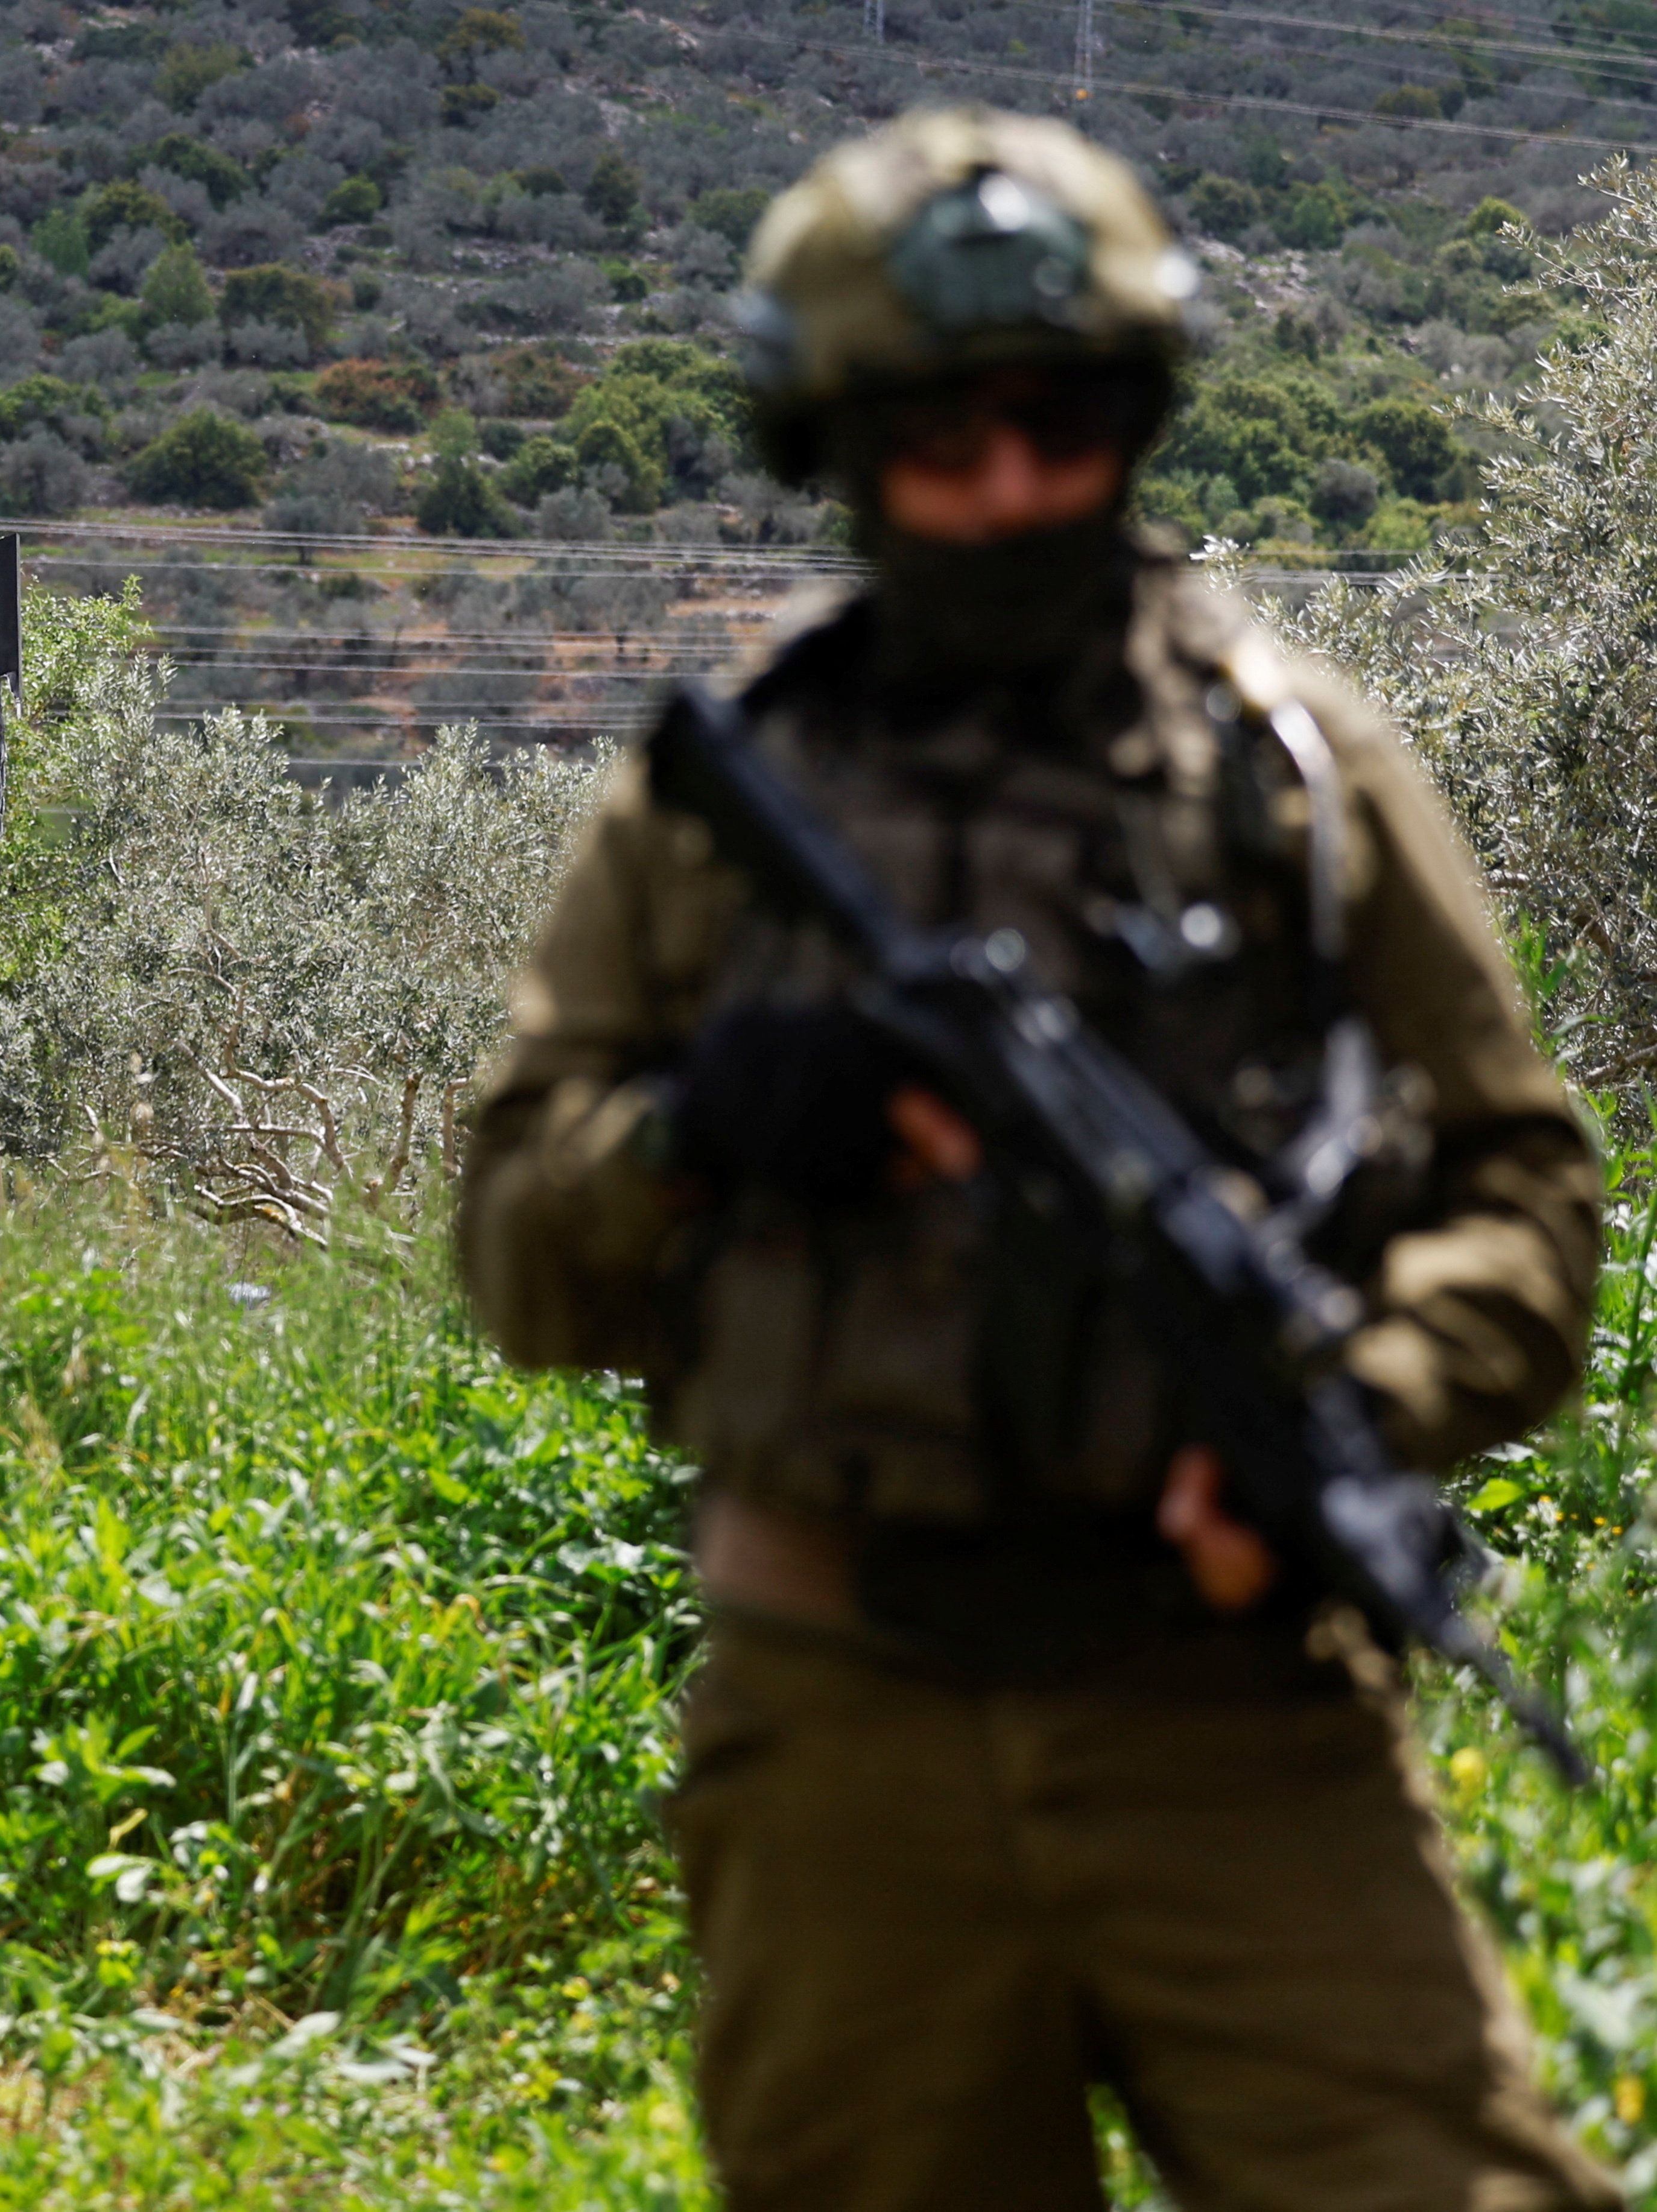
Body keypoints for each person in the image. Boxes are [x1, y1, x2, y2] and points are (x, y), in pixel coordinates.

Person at [457, 110, 1617, 2211]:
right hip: (842, 1729)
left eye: (1059, 422)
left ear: (1137, 416)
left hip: (1235, 1703)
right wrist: (706, 1130)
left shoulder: (1293, 773)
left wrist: (1359, 1395)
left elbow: (1525, 1195)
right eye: (936, 438)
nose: (1006, 487)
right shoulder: (718, 815)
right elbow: (516, 1256)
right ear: (836, 445)